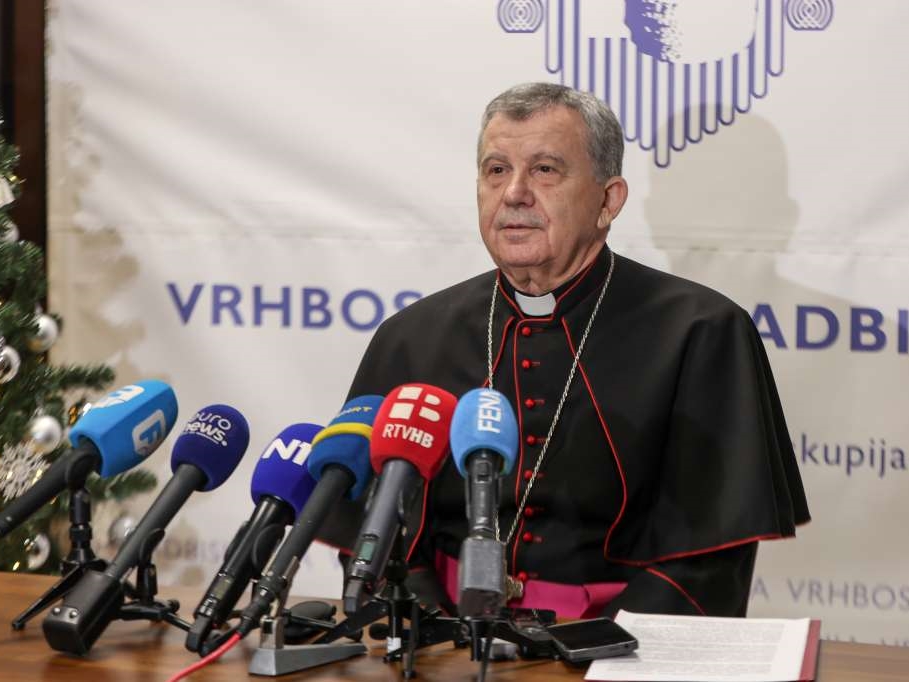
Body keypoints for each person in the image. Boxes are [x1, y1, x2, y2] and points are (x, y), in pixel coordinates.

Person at [319, 82, 810, 619]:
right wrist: (434, 634)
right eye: (496, 170)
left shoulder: (702, 333)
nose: (514, 193)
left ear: (608, 200)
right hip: (443, 635)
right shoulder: (412, 336)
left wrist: (596, 649)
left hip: (619, 645)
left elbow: (704, 563)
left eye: (545, 170)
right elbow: (375, 530)